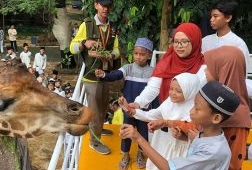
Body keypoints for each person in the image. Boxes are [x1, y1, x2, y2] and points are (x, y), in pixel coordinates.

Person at [120, 81, 240, 170]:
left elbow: (168, 167)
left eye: (197, 109)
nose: (191, 111)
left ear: (216, 118)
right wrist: (187, 138)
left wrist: (139, 138)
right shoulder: (206, 134)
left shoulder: (213, 152)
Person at [95, 37, 158, 169]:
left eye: (142, 54)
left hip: (143, 110)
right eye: (136, 53)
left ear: (149, 55)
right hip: (127, 108)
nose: (138, 57)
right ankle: (125, 155)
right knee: (125, 133)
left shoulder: (153, 72)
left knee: (143, 133)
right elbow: (116, 75)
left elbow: (155, 92)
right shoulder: (128, 68)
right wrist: (104, 75)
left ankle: (141, 154)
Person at [120, 72, 200, 170]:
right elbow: (152, 115)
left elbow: (197, 135)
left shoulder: (195, 110)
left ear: (190, 91)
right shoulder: (169, 103)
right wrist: (132, 111)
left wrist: (183, 136)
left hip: (179, 151)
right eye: (171, 89)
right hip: (161, 144)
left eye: (179, 91)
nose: (172, 93)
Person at [69, 0, 119, 155]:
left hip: (106, 75)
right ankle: (94, 142)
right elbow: (72, 48)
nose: (105, 8)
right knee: (95, 111)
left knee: (104, 106)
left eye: (108, 5)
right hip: (91, 77)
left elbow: (117, 50)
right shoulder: (87, 25)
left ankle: (100, 130)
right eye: (102, 5)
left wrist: (111, 55)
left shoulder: (112, 27)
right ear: (96, 5)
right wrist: (84, 42)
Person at [131, 23, 204, 109]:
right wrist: (137, 104)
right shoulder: (166, 63)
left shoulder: (204, 66)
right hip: (167, 114)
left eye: (184, 42)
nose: (179, 46)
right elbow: (153, 88)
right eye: (176, 41)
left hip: (192, 117)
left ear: (195, 41)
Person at [203, 46, 250, 170]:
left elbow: (233, 164)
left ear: (223, 70)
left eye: (209, 67)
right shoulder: (214, 103)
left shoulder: (238, 116)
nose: (205, 71)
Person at [201, 0, 250, 76]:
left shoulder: (238, 44)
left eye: (215, 16)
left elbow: (243, 73)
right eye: (211, 16)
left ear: (228, 18)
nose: (211, 19)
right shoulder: (205, 41)